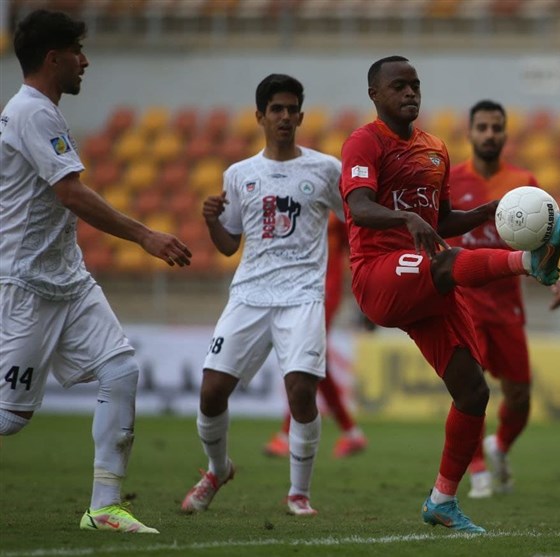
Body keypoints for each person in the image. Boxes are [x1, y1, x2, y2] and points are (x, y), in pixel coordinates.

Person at [339, 56, 560, 533]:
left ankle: (442, 500)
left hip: (423, 279)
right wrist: (406, 219)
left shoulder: (434, 149)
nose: (410, 93)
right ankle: (531, 265)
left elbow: (441, 220)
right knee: (447, 260)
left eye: (415, 85)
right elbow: (359, 207)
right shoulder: (365, 141)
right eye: (398, 86)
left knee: (473, 392)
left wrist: (490, 210)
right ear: (375, 95)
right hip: (379, 273)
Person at [0, 10, 193, 534]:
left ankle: (104, 506)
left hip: (68, 279)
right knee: (10, 419)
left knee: (121, 371)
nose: (85, 61)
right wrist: (146, 235)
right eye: (77, 52)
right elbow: (71, 193)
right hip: (26, 284)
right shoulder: (32, 113)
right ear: (52, 58)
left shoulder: (43, 112)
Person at [180, 73, 343, 517]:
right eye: (277, 109)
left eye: (292, 109)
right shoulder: (239, 175)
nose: (285, 116)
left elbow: (356, 217)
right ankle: (217, 469)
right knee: (212, 391)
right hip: (249, 295)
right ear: (260, 116)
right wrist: (212, 220)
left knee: (301, 393)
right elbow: (229, 244)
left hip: (303, 295)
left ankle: (298, 493)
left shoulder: (326, 169)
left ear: (302, 116)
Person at [448, 100, 560, 499]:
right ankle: (477, 469)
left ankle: (497, 448)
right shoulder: (450, 182)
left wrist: (552, 278)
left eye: (496, 128)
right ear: (469, 132)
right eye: (481, 127)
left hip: (506, 305)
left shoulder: (524, 184)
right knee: (472, 388)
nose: (489, 134)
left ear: (505, 133)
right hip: (464, 302)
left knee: (520, 396)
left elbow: (544, 242)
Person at [263, 215, 368, 459]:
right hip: (299, 289)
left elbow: (353, 248)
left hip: (325, 292)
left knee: (306, 356)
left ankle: (287, 434)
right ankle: (351, 433)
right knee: (315, 360)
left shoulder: (335, 204)